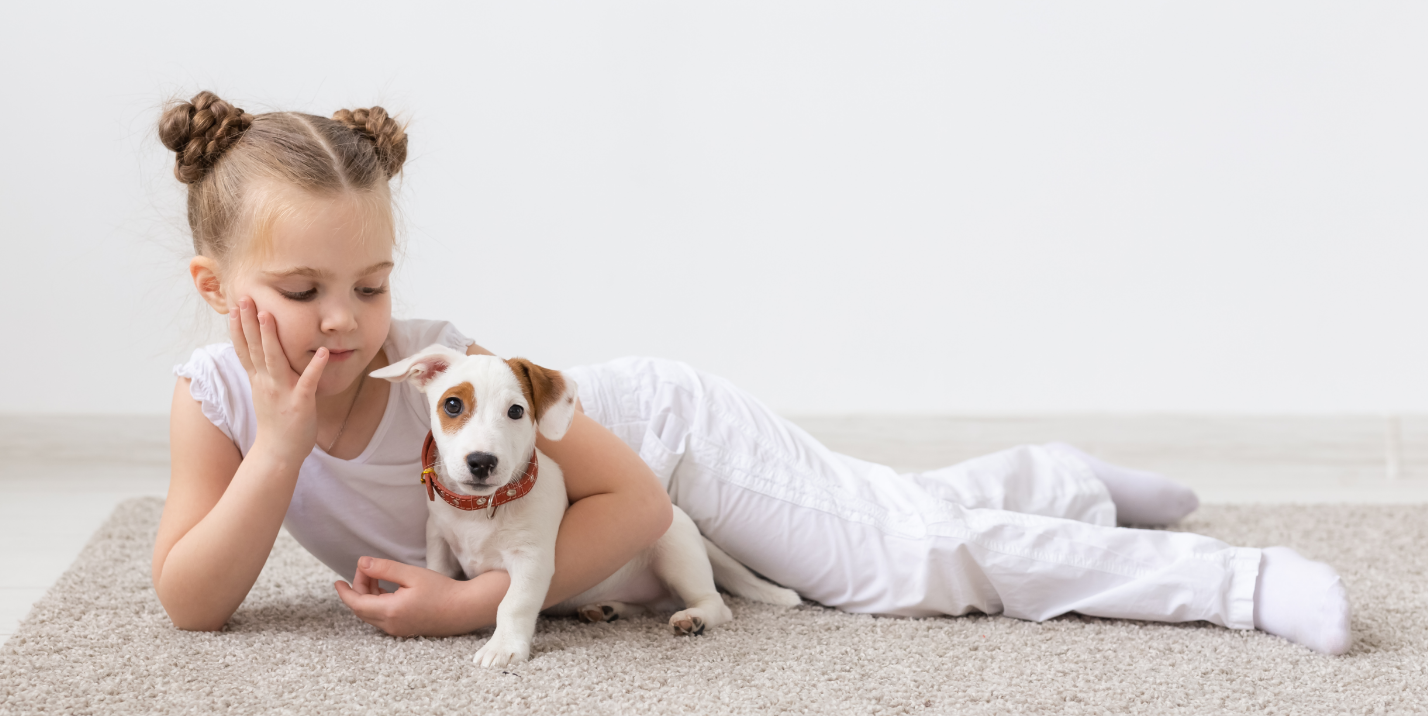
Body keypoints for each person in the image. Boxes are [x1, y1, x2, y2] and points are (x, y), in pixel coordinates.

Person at [154, 91, 1353, 656]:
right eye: (304, 292)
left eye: (371, 282)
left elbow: (638, 504)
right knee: (893, 514)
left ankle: (1234, 583)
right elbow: (192, 597)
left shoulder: (445, 368)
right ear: (217, 289)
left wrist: (478, 602)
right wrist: (276, 439)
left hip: (673, 440)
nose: (349, 320)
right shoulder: (212, 401)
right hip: (615, 515)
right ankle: (1054, 476)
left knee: (902, 561)